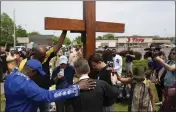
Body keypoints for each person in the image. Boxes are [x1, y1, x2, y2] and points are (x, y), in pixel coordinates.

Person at [4, 59, 96, 112]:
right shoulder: (26, 85)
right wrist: (77, 87)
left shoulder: (11, 77)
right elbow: (49, 96)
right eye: (37, 74)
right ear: (32, 72)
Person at [18, 30, 68, 111]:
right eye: (43, 57)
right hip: (31, 95)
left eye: (45, 56)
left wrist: (64, 31)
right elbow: (20, 81)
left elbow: (58, 46)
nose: (45, 58)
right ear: (35, 55)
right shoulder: (24, 63)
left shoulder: (45, 56)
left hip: (44, 93)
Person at [155, 47, 176, 112]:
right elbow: (162, 69)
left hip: (173, 88)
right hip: (167, 87)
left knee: (170, 105)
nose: (172, 54)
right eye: (171, 53)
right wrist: (158, 77)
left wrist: (160, 61)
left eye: (174, 53)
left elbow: (170, 68)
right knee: (168, 104)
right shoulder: (169, 61)